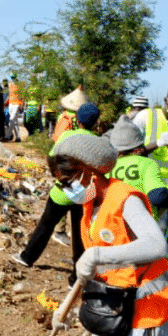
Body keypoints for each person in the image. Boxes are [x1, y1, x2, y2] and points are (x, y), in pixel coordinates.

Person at [48, 134, 168, 336]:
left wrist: (98, 254)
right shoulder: (89, 206)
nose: (65, 189)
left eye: (67, 182)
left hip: (152, 305)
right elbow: (100, 266)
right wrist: (64, 308)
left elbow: (157, 245)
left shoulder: (125, 198)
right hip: (117, 303)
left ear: (89, 172)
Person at [11, 102, 100, 276]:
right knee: (80, 235)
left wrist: (62, 179)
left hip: (62, 190)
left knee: (45, 225)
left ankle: (27, 257)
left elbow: (52, 158)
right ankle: (77, 276)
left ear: (78, 120)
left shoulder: (68, 137)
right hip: (85, 193)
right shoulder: (98, 142)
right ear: (95, 122)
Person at [5, 72, 22, 142]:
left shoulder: (20, 85)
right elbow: (9, 94)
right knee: (14, 121)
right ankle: (18, 137)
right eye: (11, 77)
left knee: (12, 119)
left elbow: (22, 95)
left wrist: (21, 105)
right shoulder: (10, 84)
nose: (12, 79)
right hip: (11, 104)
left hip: (17, 104)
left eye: (13, 77)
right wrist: (5, 103)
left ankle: (8, 135)